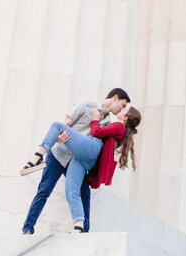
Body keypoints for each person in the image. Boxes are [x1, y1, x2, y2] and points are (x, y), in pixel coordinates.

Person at [20, 88, 130, 234]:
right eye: (122, 105)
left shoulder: (107, 122)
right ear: (115, 98)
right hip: (59, 155)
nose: (121, 110)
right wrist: (58, 139)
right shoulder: (86, 105)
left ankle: (84, 231)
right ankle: (28, 227)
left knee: (84, 193)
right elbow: (65, 124)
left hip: (76, 161)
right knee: (44, 190)